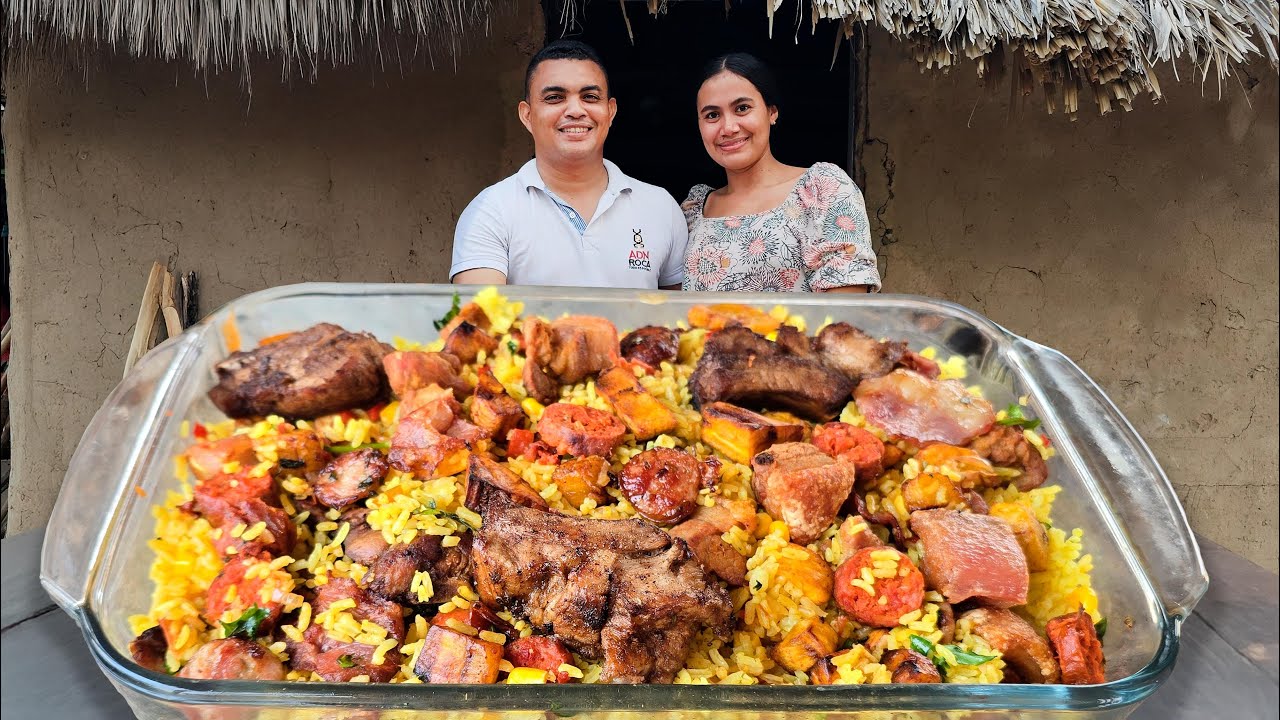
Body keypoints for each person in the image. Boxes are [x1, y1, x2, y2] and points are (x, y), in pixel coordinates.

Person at [451, 40, 688, 289]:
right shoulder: (491, 210)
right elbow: (481, 322)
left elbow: (680, 320)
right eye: (555, 97)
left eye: (590, 97)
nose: (575, 110)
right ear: (527, 115)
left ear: (611, 112)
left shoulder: (660, 207)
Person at [681, 52, 881, 293]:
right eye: (712, 115)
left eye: (742, 108)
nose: (729, 128)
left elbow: (846, 316)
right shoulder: (695, 211)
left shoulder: (821, 190)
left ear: (772, 112)